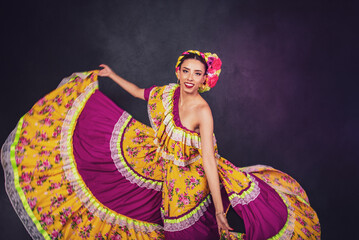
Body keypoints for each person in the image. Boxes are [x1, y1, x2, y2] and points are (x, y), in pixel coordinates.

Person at [1, 50, 321, 240]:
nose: (190, 78)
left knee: (188, 227)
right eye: (186, 71)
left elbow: (209, 161)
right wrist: (112, 76)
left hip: (193, 176)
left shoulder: (202, 111)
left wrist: (222, 211)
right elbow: (140, 92)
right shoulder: (167, 93)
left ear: (205, 79)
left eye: (197, 74)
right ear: (178, 71)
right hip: (164, 165)